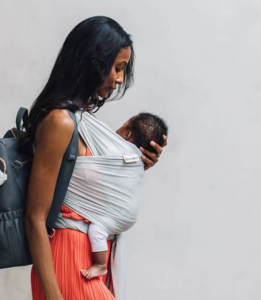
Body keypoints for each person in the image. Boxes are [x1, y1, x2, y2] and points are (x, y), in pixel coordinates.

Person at [23, 16, 167, 300]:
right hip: (67, 261)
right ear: (93, 61)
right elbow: (34, 217)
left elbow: (84, 183)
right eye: (117, 68)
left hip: (87, 261)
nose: (119, 79)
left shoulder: (78, 119)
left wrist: (133, 168)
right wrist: (53, 295)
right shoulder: (60, 122)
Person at [80, 113, 168, 280]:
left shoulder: (110, 152)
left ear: (127, 134)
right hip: (129, 214)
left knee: (97, 229)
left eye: (122, 125)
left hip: (114, 217)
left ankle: (100, 265)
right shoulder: (134, 161)